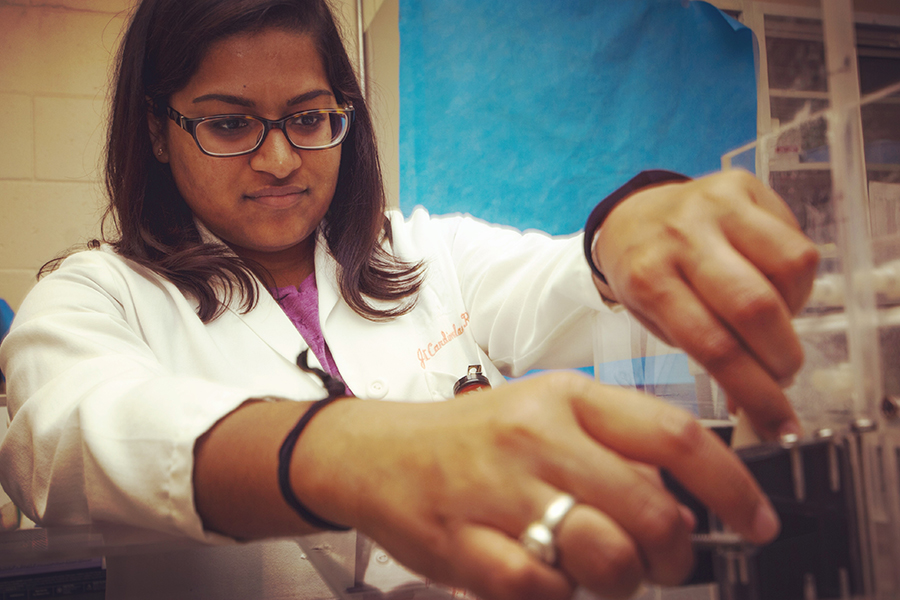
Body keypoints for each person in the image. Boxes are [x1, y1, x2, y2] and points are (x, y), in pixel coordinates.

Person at [0, 0, 819, 598]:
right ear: (156, 130)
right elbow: (67, 436)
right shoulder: (96, 294)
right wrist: (350, 453)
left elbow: (564, 274)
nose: (281, 158)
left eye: (311, 117)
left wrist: (628, 225)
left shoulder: (419, 251)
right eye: (227, 125)